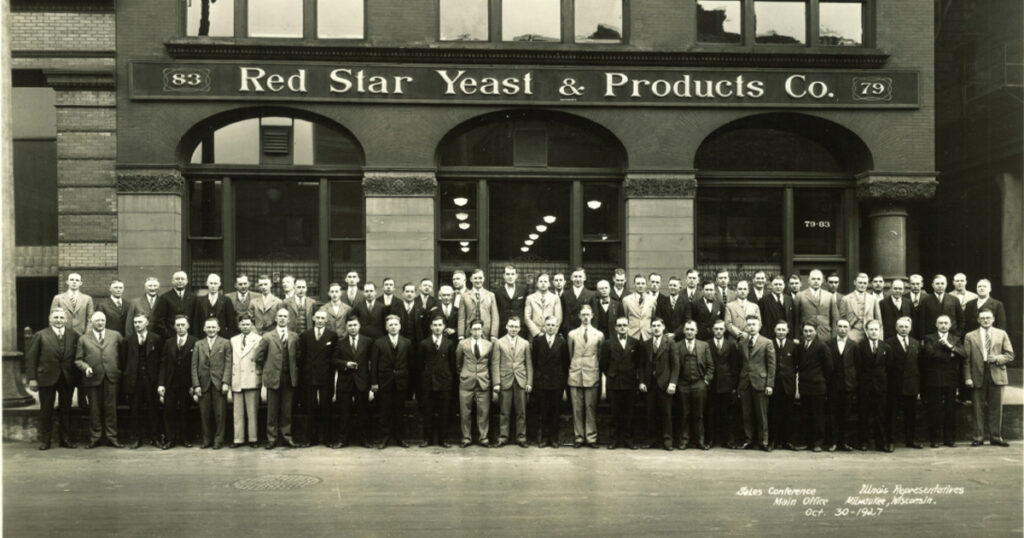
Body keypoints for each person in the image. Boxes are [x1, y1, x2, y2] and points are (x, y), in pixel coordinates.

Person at [25, 308, 80, 450]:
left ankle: (65, 439)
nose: (59, 320)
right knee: (46, 410)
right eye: (56, 317)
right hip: (46, 377)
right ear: (50, 319)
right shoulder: (40, 335)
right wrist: (32, 378)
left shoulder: (73, 334)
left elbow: (77, 356)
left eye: (62, 317)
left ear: (66, 320)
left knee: (66, 410)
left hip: (67, 377)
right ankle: (45, 441)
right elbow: (32, 358)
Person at [964, 308, 1015, 447]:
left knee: (996, 407)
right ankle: (978, 437)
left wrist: (998, 358)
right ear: (978, 320)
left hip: (997, 372)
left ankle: (996, 437)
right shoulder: (970, 336)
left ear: (993, 319)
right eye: (982, 318)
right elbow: (966, 359)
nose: (985, 320)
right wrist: (968, 377)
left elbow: (1010, 354)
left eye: (988, 318)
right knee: (977, 408)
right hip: (977, 374)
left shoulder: (1001, 333)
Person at [75, 311, 124, 448]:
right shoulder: (83, 339)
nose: (100, 323)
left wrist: (119, 370)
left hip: (111, 377)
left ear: (106, 321)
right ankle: (95, 438)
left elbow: (124, 354)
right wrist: (86, 368)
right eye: (97, 321)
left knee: (111, 409)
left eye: (102, 320)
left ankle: (112, 437)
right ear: (91, 322)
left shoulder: (115, 335)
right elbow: (78, 360)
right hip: (93, 379)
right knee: (94, 410)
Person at [257, 308, 300, 449]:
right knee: (272, 410)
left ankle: (287, 437)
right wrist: (266, 370)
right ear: (276, 318)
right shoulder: (268, 336)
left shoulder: (294, 336)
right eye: (280, 316)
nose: (282, 319)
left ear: (289, 320)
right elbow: (258, 356)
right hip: (273, 377)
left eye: (285, 316)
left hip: (289, 377)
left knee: (287, 410)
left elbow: (298, 357)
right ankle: (272, 438)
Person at [921, 315, 965, 448]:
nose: (943, 325)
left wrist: (950, 347)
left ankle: (949, 439)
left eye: (946, 323)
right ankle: (934, 439)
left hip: (951, 379)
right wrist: (950, 355)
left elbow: (963, 354)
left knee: (950, 410)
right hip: (934, 379)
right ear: (936, 324)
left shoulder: (955, 339)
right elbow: (929, 354)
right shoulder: (929, 338)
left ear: (950, 325)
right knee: (934, 409)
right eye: (940, 323)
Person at [121, 313, 163, 448]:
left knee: (153, 409)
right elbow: (123, 361)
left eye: (140, 322)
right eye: (135, 322)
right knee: (134, 410)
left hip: (151, 379)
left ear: (146, 323)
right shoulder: (128, 340)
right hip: (134, 379)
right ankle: (135, 439)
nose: (137, 325)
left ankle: (155, 438)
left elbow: (161, 360)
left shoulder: (156, 339)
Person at [297, 311, 337, 447]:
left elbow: (333, 357)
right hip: (309, 376)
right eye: (318, 318)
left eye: (323, 318)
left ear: (326, 320)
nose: (320, 320)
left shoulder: (332, 335)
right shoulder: (305, 335)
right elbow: (301, 358)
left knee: (327, 408)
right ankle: (311, 439)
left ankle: (327, 438)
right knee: (310, 408)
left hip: (326, 376)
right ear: (313, 319)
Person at [370, 315, 411, 449]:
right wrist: (374, 383)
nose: (393, 327)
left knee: (400, 411)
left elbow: (411, 365)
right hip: (384, 382)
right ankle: (384, 438)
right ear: (386, 327)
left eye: (395, 324)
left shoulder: (407, 342)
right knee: (384, 412)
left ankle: (400, 438)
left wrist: (409, 384)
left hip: (401, 382)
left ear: (400, 326)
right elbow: (374, 365)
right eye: (390, 325)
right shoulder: (379, 343)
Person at [600, 316, 641, 449]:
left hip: (629, 383)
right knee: (614, 413)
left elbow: (637, 363)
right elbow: (604, 364)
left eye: (624, 325)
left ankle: (629, 440)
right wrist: (612, 374)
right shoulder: (608, 343)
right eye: (620, 325)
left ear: (628, 327)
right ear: (615, 328)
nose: (622, 327)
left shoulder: (635, 342)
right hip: (614, 382)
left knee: (629, 412)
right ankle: (613, 440)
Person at [492, 316, 532, 447]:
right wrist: (496, 382)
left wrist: (529, 382)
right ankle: (503, 437)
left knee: (521, 411)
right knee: (504, 411)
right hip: (505, 380)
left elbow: (529, 364)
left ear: (519, 328)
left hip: (520, 380)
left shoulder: (525, 343)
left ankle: (521, 437)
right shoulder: (499, 342)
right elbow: (495, 363)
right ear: (506, 327)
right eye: (511, 326)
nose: (514, 329)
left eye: (516, 326)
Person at [191, 317, 232, 449]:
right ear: (204, 329)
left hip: (219, 383)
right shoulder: (198, 344)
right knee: (205, 414)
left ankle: (218, 440)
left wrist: (226, 382)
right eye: (208, 327)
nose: (211, 330)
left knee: (220, 413)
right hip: (203, 383)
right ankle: (206, 439)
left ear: (218, 328)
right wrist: (196, 384)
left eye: (213, 327)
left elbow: (228, 364)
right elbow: (194, 366)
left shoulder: (225, 343)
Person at [673, 320, 713, 450]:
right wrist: (677, 382)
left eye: (692, 329)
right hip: (682, 384)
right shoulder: (677, 346)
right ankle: (684, 441)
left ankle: (700, 441)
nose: (689, 332)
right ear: (683, 331)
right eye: (687, 329)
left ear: (696, 331)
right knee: (684, 413)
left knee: (699, 414)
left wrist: (706, 381)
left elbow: (710, 366)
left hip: (699, 384)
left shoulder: (704, 345)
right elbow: (674, 366)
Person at [333, 316, 372, 449]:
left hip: (362, 381)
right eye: (350, 325)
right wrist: (345, 364)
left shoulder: (367, 341)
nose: (352, 328)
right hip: (345, 382)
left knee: (363, 412)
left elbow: (372, 362)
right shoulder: (340, 342)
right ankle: (343, 440)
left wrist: (372, 385)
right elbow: (333, 360)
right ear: (346, 327)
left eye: (355, 325)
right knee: (344, 413)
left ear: (359, 326)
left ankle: (364, 440)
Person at [736, 316, 775, 451]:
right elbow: (740, 364)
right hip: (745, 382)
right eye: (749, 325)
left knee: (762, 414)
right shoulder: (742, 343)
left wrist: (769, 384)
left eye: (754, 325)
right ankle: (749, 440)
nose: (751, 327)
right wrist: (739, 384)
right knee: (746, 414)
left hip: (761, 382)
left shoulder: (767, 342)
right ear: (746, 327)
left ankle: (763, 441)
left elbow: (771, 365)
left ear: (759, 326)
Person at [567, 304, 603, 448]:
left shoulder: (599, 334)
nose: (586, 317)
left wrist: (593, 367)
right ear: (579, 316)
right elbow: (570, 354)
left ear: (592, 316)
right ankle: (579, 437)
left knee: (590, 406)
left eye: (588, 314)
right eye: (583, 314)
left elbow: (599, 356)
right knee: (577, 408)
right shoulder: (572, 334)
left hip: (591, 373)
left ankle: (591, 437)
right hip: (576, 373)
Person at [158, 316, 196, 449]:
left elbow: (196, 365)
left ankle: (185, 438)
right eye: (178, 325)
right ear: (174, 327)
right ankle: (170, 439)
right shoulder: (169, 342)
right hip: (171, 382)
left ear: (188, 326)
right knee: (169, 411)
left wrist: (194, 384)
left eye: (183, 325)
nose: (180, 328)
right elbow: (163, 364)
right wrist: (161, 384)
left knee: (186, 411)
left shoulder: (194, 342)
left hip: (187, 383)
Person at [418, 316, 456, 448]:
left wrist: (450, 381)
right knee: (427, 412)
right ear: (430, 327)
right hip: (428, 383)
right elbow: (420, 365)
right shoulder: (424, 343)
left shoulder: (449, 344)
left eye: (440, 325)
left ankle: (443, 439)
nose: (437, 327)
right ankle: (427, 439)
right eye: (435, 325)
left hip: (445, 383)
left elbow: (452, 364)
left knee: (444, 412)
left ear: (444, 327)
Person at [640, 318, 678, 450]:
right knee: (650, 412)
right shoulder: (646, 344)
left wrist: (673, 382)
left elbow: (675, 365)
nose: (656, 328)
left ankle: (667, 440)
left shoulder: (670, 343)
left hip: (665, 383)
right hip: (650, 384)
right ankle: (651, 439)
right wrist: (641, 381)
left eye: (658, 326)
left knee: (666, 413)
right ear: (650, 328)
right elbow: (642, 365)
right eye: (653, 326)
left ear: (663, 327)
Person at [885, 316, 922, 449]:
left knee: (911, 414)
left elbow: (919, 366)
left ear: (910, 328)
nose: (903, 329)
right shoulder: (888, 343)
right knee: (892, 414)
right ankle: (891, 441)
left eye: (906, 326)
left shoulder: (915, 343)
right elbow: (886, 367)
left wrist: (918, 388)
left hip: (911, 385)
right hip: (894, 385)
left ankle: (910, 440)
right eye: (901, 327)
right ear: (896, 328)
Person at [531, 316, 568, 448]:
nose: (551, 327)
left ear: (556, 327)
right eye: (548, 325)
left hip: (557, 382)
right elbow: (534, 361)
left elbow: (565, 362)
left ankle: (554, 438)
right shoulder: (538, 342)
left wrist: (562, 380)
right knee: (543, 410)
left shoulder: (562, 342)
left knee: (555, 411)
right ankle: (544, 438)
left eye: (553, 325)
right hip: (542, 381)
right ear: (544, 326)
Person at [457, 319, 493, 447]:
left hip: (483, 381)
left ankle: (483, 437)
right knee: (465, 411)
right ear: (470, 330)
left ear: (482, 330)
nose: (477, 331)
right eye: (474, 329)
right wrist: (464, 374)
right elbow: (458, 362)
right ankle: (466, 438)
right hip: (466, 381)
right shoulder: (463, 344)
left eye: (479, 329)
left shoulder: (489, 345)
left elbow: (491, 363)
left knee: (483, 411)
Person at [857, 320, 891, 452]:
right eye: (871, 329)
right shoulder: (860, 346)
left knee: (880, 415)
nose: (873, 332)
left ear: (880, 330)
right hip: (865, 386)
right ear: (866, 331)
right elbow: (858, 367)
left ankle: (881, 442)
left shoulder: (886, 347)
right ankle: (863, 442)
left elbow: (889, 367)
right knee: (864, 415)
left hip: (881, 387)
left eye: (876, 329)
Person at [797, 322, 832, 452]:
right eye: (805, 331)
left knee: (818, 416)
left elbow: (829, 367)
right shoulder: (800, 346)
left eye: (810, 331)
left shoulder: (822, 346)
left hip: (817, 386)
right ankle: (807, 441)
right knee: (806, 414)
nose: (808, 334)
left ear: (816, 332)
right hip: (804, 385)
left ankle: (818, 442)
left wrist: (822, 380)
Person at [825, 319, 858, 452]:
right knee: (833, 414)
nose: (842, 329)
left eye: (845, 327)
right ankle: (833, 442)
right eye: (840, 326)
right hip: (833, 385)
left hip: (848, 385)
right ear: (836, 328)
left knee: (846, 415)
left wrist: (854, 384)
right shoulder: (828, 344)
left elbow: (858, 366)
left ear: (848, 329)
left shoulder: (854, 345)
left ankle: (844, 442)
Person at [229, 314, 261, 448]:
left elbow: (260, 359)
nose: (245, 327)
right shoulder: (233, 340)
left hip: (251, 377)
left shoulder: (258, 339)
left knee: (252, 411)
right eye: (242, 324)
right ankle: (238, 439)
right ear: (238, 325)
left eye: (248, 324)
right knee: (237, 412)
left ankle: (253, 438)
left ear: (252, 325)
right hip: (237, 378)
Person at [708, 320, 739, 449]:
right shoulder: (707, 344)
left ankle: (727, 440)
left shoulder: (731, 344)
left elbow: (735, 366)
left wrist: (733, 386)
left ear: (724, 330)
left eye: (721, 329)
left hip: (726, 383)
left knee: (726, 413)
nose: (719, 331)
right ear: (712, 330)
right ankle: (711, 440)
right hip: (711, 383)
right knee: (711, 413)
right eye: (716, 329)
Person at [769, 321, 799, 451]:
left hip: (788, 384)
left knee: (788, 413)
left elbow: (797, 365)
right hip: (773, 384)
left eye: (783, 330)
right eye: (778, 329)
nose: (781, 332)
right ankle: (773, 441)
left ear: (787, 331)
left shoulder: (793, 346)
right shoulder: (769, 343)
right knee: (773, 413)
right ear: (774, 330)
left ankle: (787, 441)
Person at [151, 270, 196, 340]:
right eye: (177, 279)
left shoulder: (193, 297)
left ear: (187, 281)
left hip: (189, 338)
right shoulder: (165, 297)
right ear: (172, 281)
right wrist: (168, 335)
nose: (180, 281)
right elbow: (159, 320)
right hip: (170, 338)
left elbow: (195, 319)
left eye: (182, 279)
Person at [797, 269, 840, 341]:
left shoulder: (829, 296)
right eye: (813, 279)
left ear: (822, 281)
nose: (816, 281)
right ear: (808, 280)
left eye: (818, 279)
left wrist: (834, 336)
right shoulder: (800, 295)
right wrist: (797, 337)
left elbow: (834, 317)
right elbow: (796, 319)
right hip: (806, 335)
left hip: (825, 335)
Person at [458, 269, 500, 340]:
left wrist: (493, 334)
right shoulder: (464, 296)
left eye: (480, 278)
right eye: (475, 278)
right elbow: (461, 318)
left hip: (486, 332)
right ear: (471, 279)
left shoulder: (490, 295)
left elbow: (495, 317)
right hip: (470, 332)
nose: (478, 281)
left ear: (483, 279)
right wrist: (461, 335)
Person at [840, 273, 883, 342]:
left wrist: (880, 339)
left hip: (869, 333)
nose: (862, 285)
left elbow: (878, 320)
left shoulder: (873, 299)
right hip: (852, 332)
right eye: (860, 283)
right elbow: (842, 319)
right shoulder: (846, 299)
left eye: (865, 283)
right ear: (854, 283)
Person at [192, 273, 237, 339]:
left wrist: (228, 337)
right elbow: (196, 321)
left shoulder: (226, 300)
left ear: (219, 284)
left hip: (222, 337)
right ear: (207, 284)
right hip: (203, 337)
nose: (213, 286)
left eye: (215, 283)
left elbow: (231, 322)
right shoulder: (200, 301)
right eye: (211, 283)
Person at [524, 273, 563, 339]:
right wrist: (537, 333)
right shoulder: (530, 298)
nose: (543, 283)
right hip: (534, 336)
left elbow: (558, 318)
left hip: (550, 334)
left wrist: (552, 332)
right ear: (537, 284)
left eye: (545, 281)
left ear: (549, 284)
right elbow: (527, 318)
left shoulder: (555, 298)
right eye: (541, 281)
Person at [495, 265, 527, 337]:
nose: (510, 276)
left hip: (519, 328)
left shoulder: (523, 290)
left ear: (516, 276)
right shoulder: (498, 292)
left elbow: (526, 309)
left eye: (512, 274)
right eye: (508, 274)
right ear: (504, 276)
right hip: (503, 328)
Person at [621, 274, 654, 341]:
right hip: (632, 335)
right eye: (638, 283)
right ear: (634, 285)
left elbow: (653, 317)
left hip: (647, 335)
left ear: (646, 285)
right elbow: (625, 317)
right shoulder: (626, 300)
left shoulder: (652, 300)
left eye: (643, 283)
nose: (640, 285)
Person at [562, 268, 595, 335]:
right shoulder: (565, 295)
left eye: (580, 276)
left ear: (584, 278)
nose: (578, 279)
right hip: (568, 330)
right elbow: (562, 314)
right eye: (575, 276)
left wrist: (593, 331)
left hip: (585, 330)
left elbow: (595, 316)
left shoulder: (591, 294)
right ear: (571, 278)